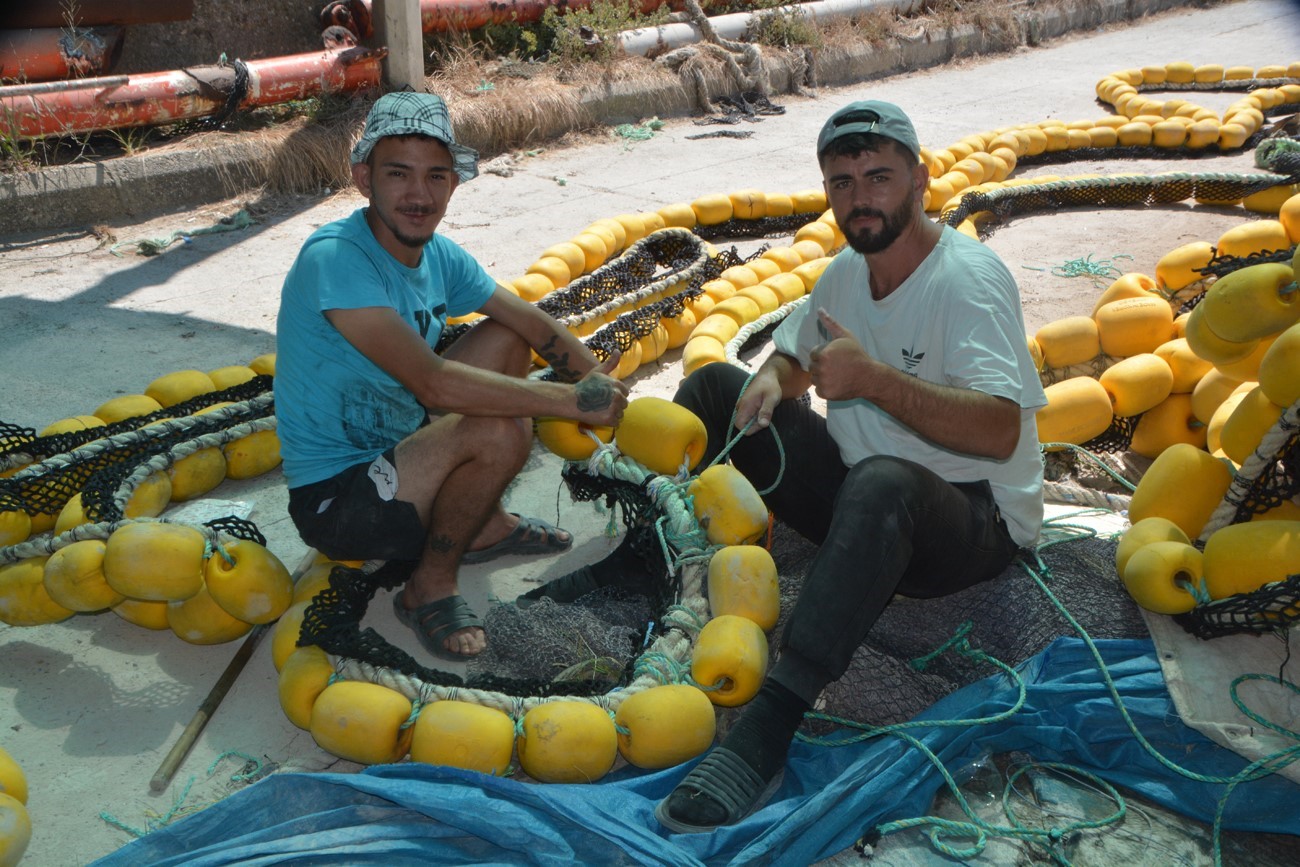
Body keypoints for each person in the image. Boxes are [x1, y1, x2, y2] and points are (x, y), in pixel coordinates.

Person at [654, 100, 1048, 832]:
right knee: (713, 387)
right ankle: (646, 553)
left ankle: (773, 718)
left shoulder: (967, 281)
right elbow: (799, 354)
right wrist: (772, 378)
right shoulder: (845, 272)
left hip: (970, 519)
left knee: (881, 482)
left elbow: (999, 431)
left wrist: (874, 381)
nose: (860, 198)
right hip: (865, 493)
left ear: (920, 181)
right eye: (843, 183)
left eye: (878, 178)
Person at [275, 92, 628, 662]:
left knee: (506, 336)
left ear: (453, 184)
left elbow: (530, 322)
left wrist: (602, 385)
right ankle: (429, 585)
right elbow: (434, 384)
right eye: (398, 174)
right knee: (499, 429)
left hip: (405, 448)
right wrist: (569, 401)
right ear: (364, 179)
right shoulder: (335, 257)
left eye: (435, 176)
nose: (419, 195)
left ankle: (484, 524)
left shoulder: (439, 255)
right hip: (341, 501)